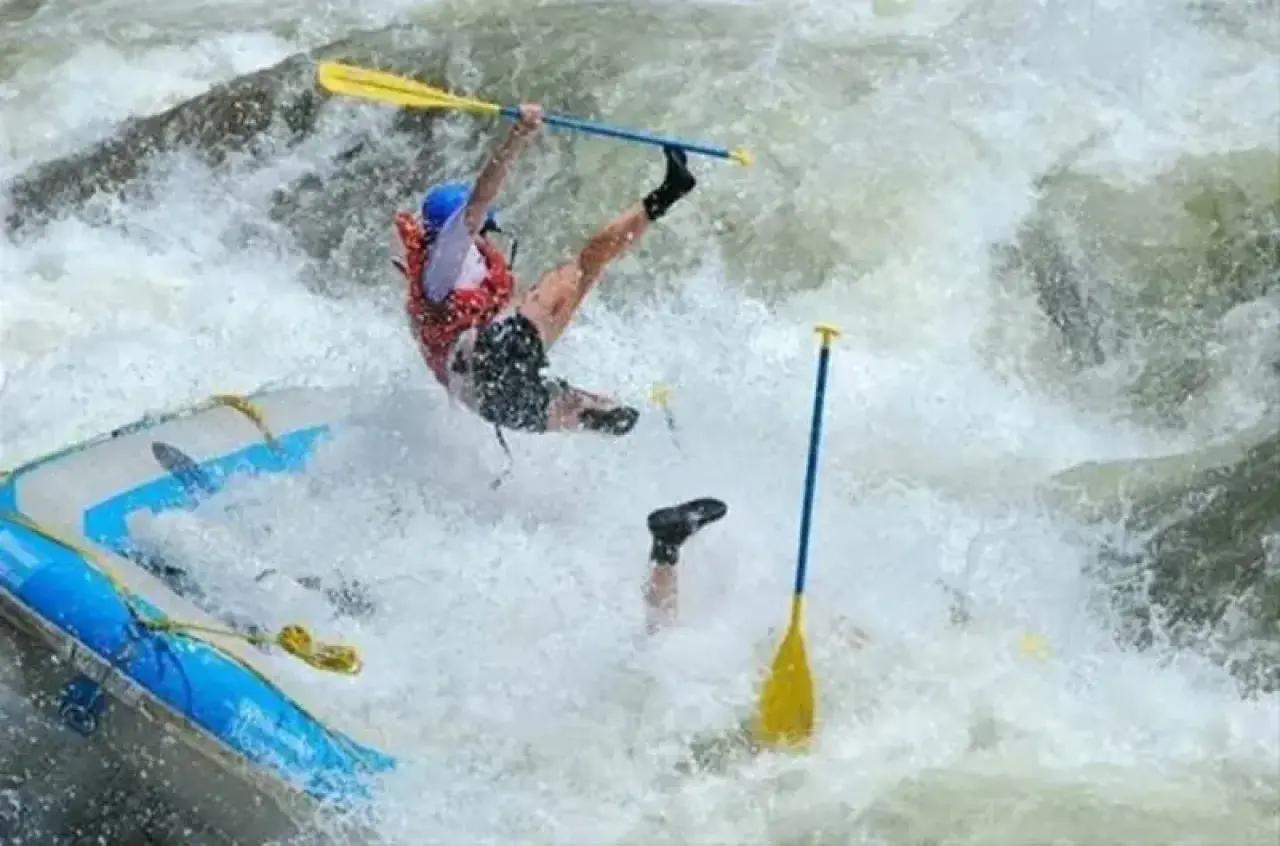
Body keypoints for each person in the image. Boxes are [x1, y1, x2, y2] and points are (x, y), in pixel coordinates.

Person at [392, 103, 699, 439]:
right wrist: (519, 134)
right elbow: (478, 201)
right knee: (583, 266)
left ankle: (669, 192)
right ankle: (669, 193)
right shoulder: (446, 259)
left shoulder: (431, 284)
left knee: (604, 411)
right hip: (492, 358)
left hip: (492, 403)